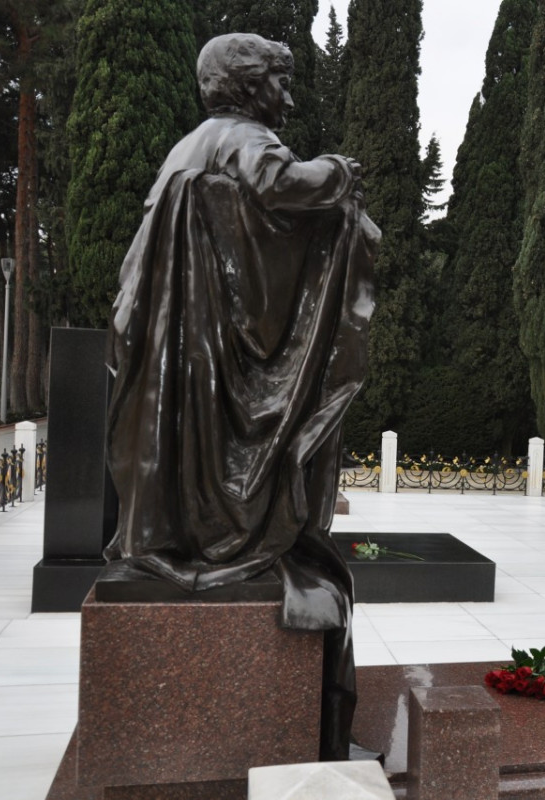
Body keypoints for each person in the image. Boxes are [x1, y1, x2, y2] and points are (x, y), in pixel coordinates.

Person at [103, 33, 380, 760]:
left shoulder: (187, 148)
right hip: (213, 351)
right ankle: (229, 531)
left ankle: (183, 527)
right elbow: (287, 189)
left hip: (182, 355)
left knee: (193, 447)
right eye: (280, 85)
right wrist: (340, 175)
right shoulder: (245, 139)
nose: (287, 100)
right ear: (250, 87)